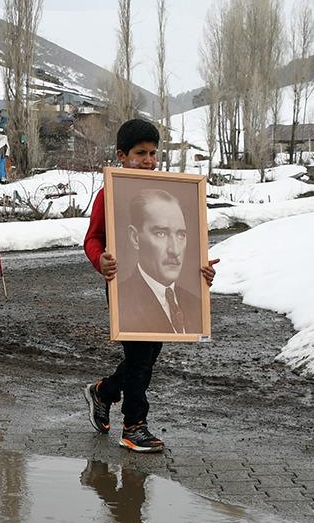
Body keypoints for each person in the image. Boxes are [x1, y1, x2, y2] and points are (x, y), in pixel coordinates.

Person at [81, 119, 219, 453]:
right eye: (140, 153)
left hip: (164, 292)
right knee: (141, 357)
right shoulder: (109, 193)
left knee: (147, 355)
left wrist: (201, 271)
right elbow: (93, 239)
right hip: (124, 287)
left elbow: (190, 242)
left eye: (153, 153)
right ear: (121, 155)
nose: (148, 160)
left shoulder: (170, 190)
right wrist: (100, 260)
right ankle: (134, 426)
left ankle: (105, 391)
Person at [117, 189, 202, 334]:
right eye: (161, 233)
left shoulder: (195, 303)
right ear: (135, 238)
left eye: (181, 235)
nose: (175, 250)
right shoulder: (122, 300)